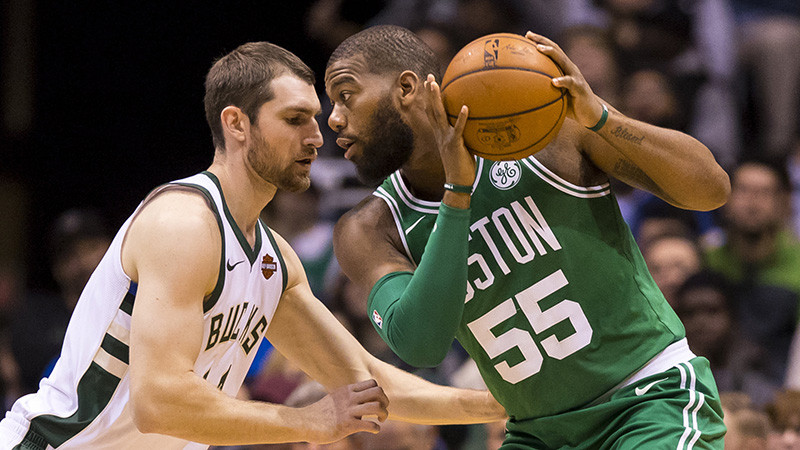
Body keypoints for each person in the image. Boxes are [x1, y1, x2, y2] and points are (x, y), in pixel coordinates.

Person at [0, 41, 506, 450]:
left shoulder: (274, 261)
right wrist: (308, 421)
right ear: (236, 123)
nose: (318, 135)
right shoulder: (182, 224)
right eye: (295, 119)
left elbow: (370, 383)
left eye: (316, 117)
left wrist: (501, 403)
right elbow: (159, 404)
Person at [325, 25, 730, 448]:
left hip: (645, 399)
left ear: (405, 88)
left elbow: (711, 190)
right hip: (537, 432)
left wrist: (603, 119)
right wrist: (457, 195)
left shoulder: (545, 129)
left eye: (346, 95)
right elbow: (421, 345)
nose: (333, 118)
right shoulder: (369, 228)